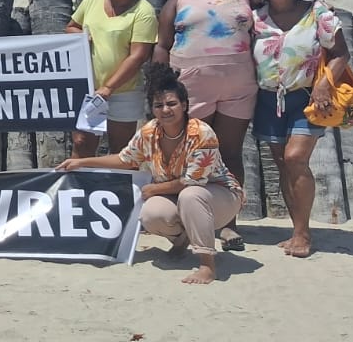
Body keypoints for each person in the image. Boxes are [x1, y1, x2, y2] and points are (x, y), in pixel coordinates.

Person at [58, 64, 244, 285]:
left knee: (191, 195)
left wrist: (155, 189)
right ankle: (182, 239)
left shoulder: (201, 133)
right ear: (153, 109)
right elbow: (125, 159)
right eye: (159, 105)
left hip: (220, 197)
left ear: (184, 105)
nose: (165, 109)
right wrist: (82, 162)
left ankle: (207, 264)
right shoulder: (148, 131)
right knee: (151, 214)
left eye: (172, 104)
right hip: (180, 196)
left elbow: (192, 181)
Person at [155, 0, 256, 251]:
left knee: (229, 154)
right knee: (190, 154)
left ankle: (228, 225)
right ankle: (182, 225)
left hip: (238, 86)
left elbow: (271, 20)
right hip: (191, 88)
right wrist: (160, 87)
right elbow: (162, 43)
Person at [248, 0, 351, 258]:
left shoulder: (318, 13)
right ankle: (297, 229)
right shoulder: (257, 19)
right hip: (268, 100)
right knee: (283, 164)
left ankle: (303, 234)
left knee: (295, 158)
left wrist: (324, 82)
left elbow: (341, 53)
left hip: (308, 97)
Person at [68, 0, 157, 158]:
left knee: (121, 151)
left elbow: (138, 56)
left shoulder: (144, 11)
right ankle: (80, 189)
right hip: (89, 88)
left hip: (124, 91)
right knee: (81, 144)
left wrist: (108, 88)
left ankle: (115, 189)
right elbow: (72, 26)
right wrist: (81, 36)